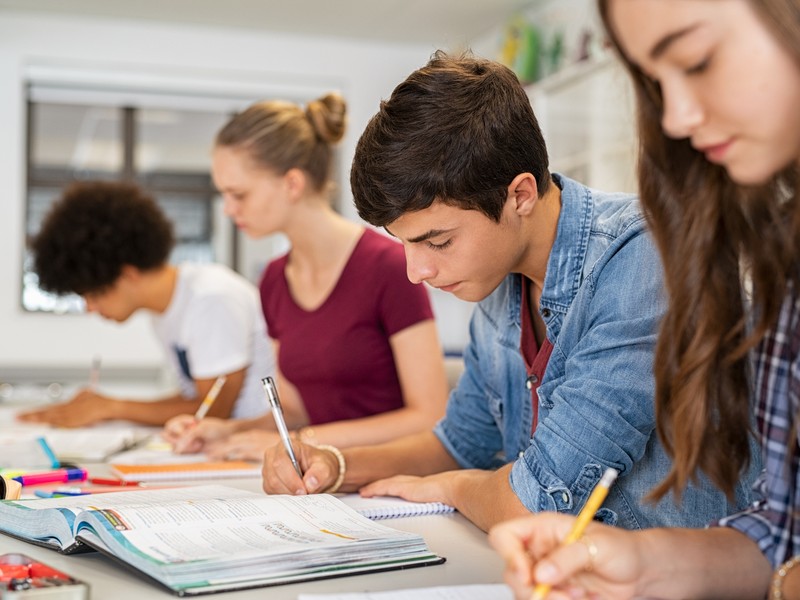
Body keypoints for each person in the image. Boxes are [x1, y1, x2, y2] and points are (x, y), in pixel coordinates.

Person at [261, 52, 757, 533]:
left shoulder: (641, 258)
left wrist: (457, 489)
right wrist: (336, 463)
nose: (416, 271)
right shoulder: (500, 280)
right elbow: (460, 443)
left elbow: (539, 503)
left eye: (437, 240)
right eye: (406, 243)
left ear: (519, 195)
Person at [488, 1, 800, 598]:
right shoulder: (783, 255)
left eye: (698, 60)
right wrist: (646, 561)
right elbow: (781, 533)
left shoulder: (633, 254)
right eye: (656, 82)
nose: (678, 117)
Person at [162, 93, 448, 461]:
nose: (230, 210)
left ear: (292, 184)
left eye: (239, 195)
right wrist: (228, 430)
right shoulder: (274, 281)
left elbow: (429, 416)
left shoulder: (390, 266)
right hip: (320, 480)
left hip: (392, 478)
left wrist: (302, 441)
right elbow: (296, 412)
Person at [19, 180, 274, 427]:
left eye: (93, 295)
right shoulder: (165, 311)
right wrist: (105, 407)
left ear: (127, 274)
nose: (90, 309)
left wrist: (111, 407)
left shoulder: (211, 298)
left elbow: (214, 410)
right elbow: (195, 399)